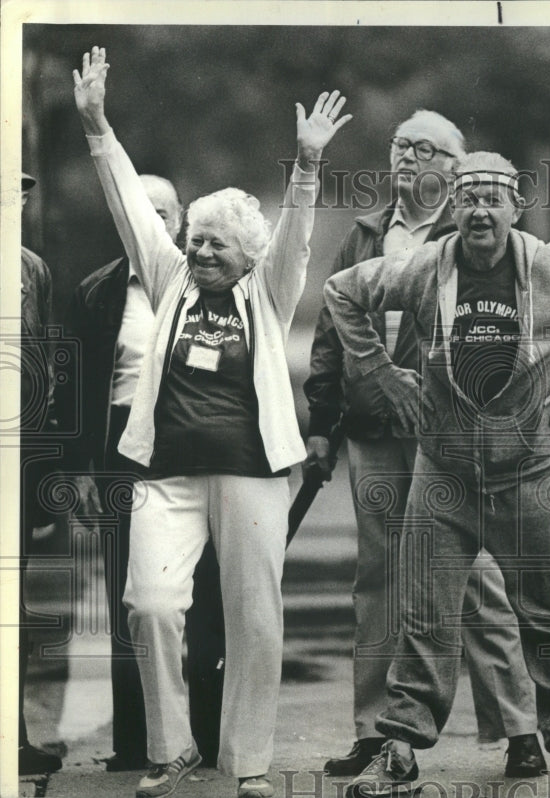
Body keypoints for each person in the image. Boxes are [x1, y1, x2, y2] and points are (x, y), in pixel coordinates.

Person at [325, 150, 550, 798]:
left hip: (534, 468)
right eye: (468, 197)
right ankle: (398, 750)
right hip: (444, 471)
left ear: (515, 206)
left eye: (493, 196)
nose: (480, 209)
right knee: (425, 620)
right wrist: (381, 372)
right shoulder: (427, 268)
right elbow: (343, 292)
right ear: (452, 209)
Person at [73, 46, 351, 798]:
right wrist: (98, 125)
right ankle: (173, 750)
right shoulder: (169, 281)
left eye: (214, 243)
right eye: (193, 239)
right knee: (151, 604)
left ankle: (248, 763)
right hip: (163, 472)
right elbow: (132, 207)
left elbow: (294, 232)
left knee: (255, 622)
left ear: (246, 255)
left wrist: (305, 166)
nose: (197, 250)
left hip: (253, 475)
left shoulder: (269, 292)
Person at [304, 111, 542, 779]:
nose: (406, 156)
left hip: (452, 433)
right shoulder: (366, 233)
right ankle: (377, 731)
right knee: (377, 581)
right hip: (374, 429)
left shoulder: (477, 233)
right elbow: (330, 327)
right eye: (399, 145)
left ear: (452, 167)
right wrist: (322, 421)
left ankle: (520, 727)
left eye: (424, 148)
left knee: (472, 580)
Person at [56, 175, 226, 771]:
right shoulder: (96, 292)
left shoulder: (207, 282)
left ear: (180, 220)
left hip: (194, 444)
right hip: (120, 451)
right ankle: (137, 741)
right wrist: (79, 472)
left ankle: (205, 735)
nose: (150, 221)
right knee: (131, 597)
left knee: (204, 593)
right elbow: (74, 390)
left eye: (162, 212)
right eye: (137, 210)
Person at [18, 171, 64, 776]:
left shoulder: (32, 269)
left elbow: (49, 370)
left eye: (22, 192)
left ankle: (13, 732)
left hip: (18, 455)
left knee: (14, 604)